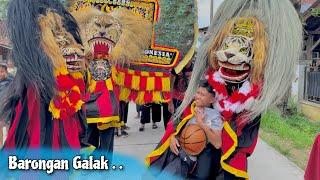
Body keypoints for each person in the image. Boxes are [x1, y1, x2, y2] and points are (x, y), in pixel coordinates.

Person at [146, 80, 223, 179]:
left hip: (201, 155)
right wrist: (172, 137)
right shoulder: (187, 109)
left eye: (202, 94)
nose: (198, 96)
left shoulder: (215, 115)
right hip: (180, 153)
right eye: (197, 92)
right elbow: (174, 129)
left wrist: (201, 124)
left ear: (212, 99)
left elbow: (217, 144)